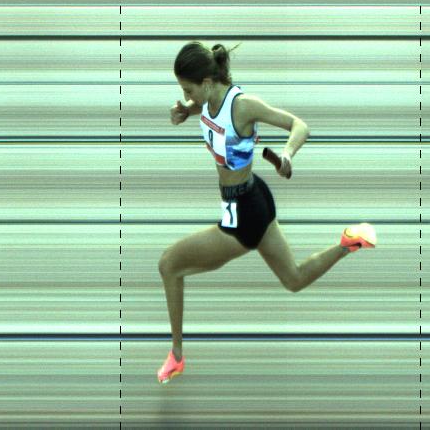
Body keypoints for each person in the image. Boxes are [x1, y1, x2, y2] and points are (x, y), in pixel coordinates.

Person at [156, 42, 378, 383]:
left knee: (169, 264)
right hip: (253, 200)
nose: (186, 96)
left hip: (243, 215)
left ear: (207, 82)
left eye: (189, 90)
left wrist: (287, 154)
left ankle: (177, 355)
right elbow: (205, 111)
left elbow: (299, 125)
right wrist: (187, 110)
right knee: (294, 279)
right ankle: (349, 242)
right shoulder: (208, 101)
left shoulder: (243, 106)